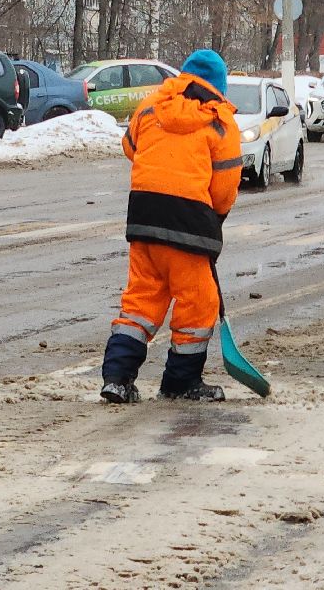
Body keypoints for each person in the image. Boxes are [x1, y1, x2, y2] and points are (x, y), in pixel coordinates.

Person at [101, 49, 243, 404]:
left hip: (144, 217)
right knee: (199, 303)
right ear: (219, 86)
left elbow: (130, 147)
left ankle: (117, 378)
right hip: (189, 222)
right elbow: (224, 188)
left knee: (140, 301)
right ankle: (180, 382)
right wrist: (214, 219)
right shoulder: (219, 120)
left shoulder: (150, 107)